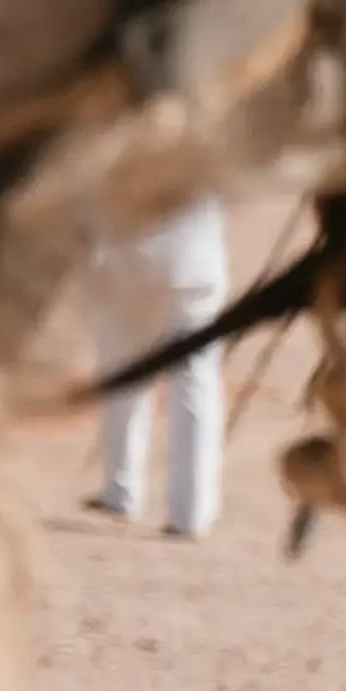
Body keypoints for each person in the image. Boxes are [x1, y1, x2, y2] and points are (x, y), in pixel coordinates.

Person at [84, 193, 232, 538]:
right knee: (195, 383)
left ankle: (121, 490)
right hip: (196, 261)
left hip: (128, 262)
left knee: (125, 374)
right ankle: (192, 512)